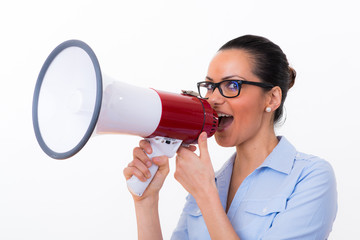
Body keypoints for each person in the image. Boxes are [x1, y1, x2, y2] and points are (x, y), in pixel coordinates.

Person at [123, 35, 337, 239]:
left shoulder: (310, 177)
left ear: (272, 98)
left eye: (232, 85)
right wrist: (146, 202)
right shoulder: (211, 181)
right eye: (209, 86)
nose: (213, 99)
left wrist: (206, 194)